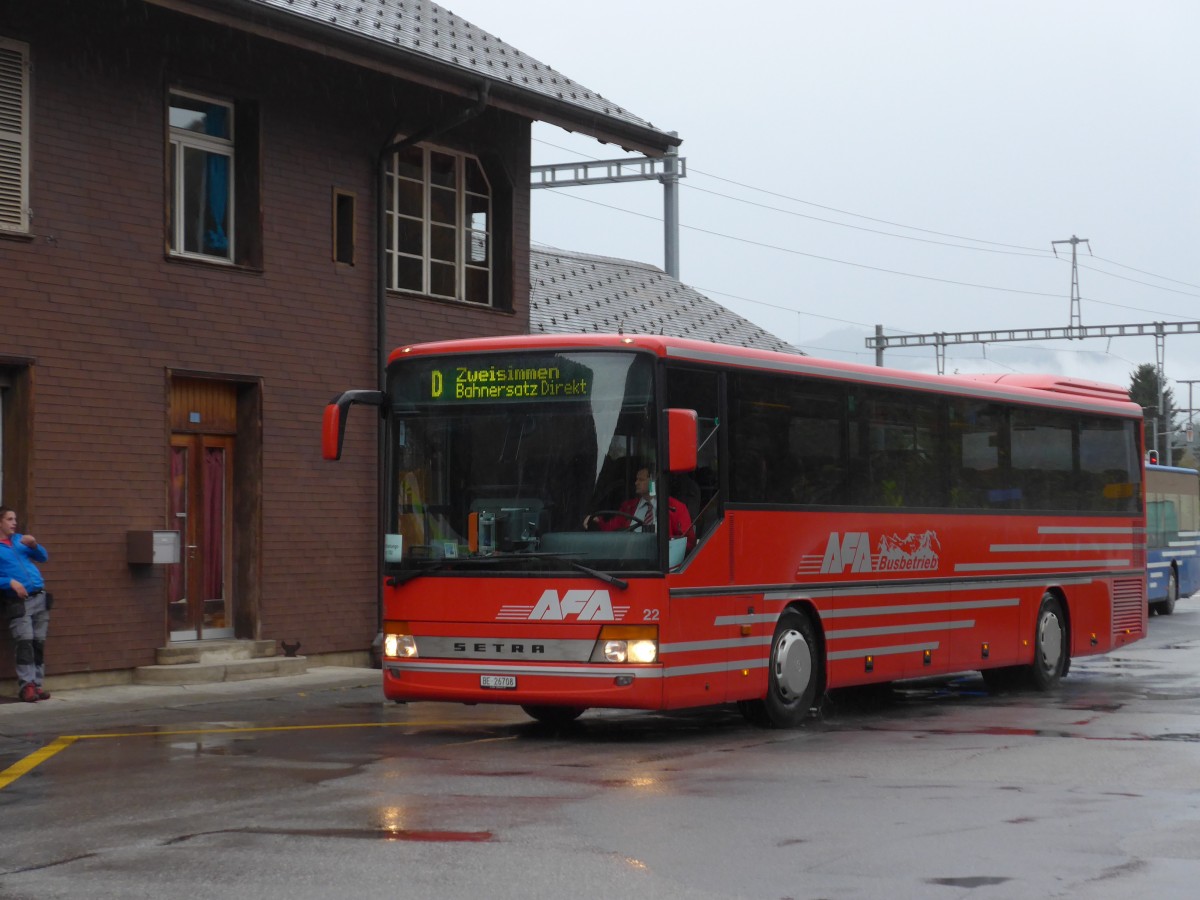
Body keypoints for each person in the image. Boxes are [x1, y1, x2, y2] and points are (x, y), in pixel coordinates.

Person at [0, 507, 51, 702]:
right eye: (9, 519)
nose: (14, 523)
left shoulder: (20, 540)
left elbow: (43, 557)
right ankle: (26, 686)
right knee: (24, 643)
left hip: (40, 597)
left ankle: (37, 685)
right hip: (19, 602)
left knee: (38, 643)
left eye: (15, 519)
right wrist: (10, 582)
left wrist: (35, 545)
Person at [584, 465, 694, 550]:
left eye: (641, 480)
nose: (636, 483)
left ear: (653, 480)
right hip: (631, 562)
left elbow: (688, 542)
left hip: (661, 565)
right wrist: (596, 520)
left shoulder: (676, 508)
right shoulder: (628, 507)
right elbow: (612, 529)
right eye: (636, 479)